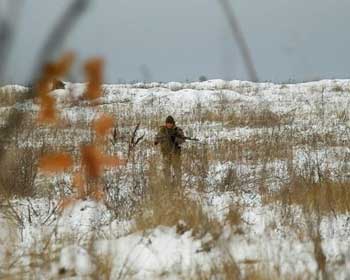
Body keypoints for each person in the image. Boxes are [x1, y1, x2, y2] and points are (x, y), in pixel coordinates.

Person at [154, 115, 185, 187]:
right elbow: (156, 138)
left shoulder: (177, 130)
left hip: (175, 154)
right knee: (166, 171)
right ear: (166, 123)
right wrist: (156, 140)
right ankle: (167, 185)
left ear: (173, 123)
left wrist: (175, 139)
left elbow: (183, 140)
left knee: (177, 170)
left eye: (170, 123)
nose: (169, 124)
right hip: (166, 154)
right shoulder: (162, 130)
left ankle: (179, 185)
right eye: (167, 123)